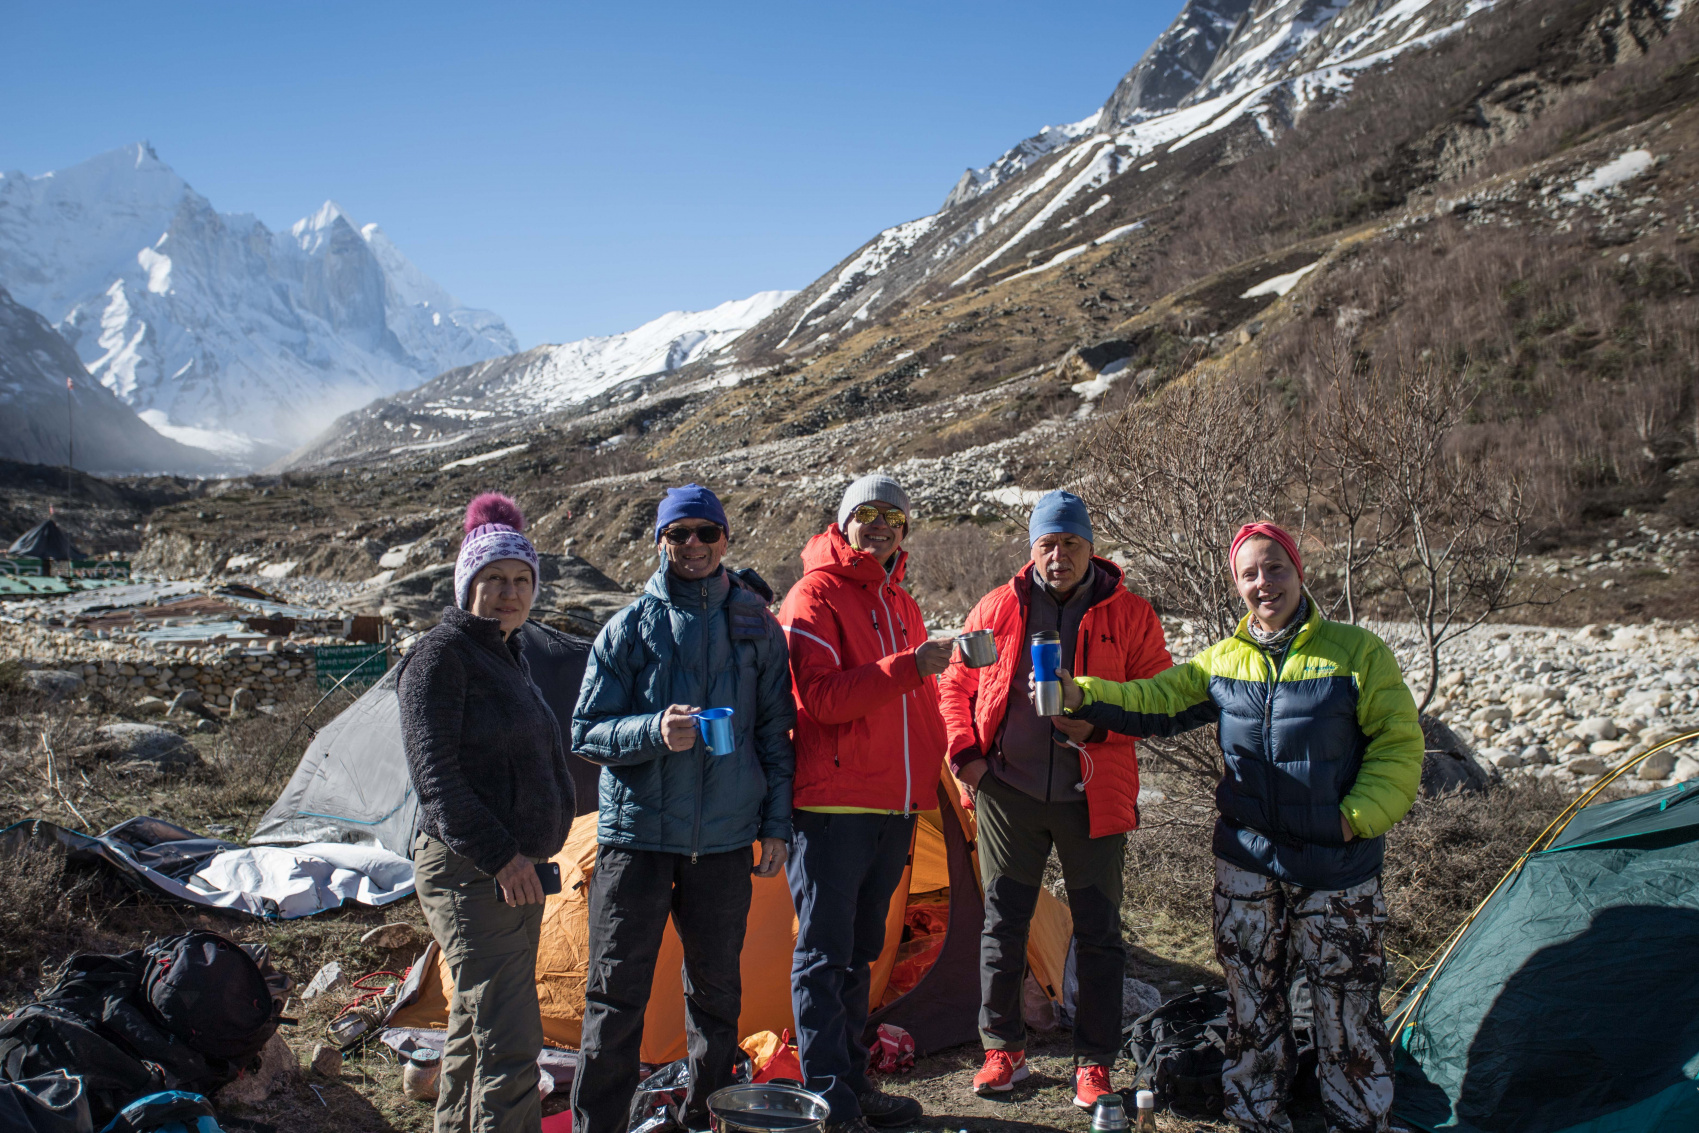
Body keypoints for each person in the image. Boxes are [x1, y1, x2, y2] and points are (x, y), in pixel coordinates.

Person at [1053, 522, 1423, 1133]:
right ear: (1236, 585)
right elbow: (1155, 700)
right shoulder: (1224, 663)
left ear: (1298, 571)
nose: (1264, 583)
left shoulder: (1357, 653)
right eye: (1249, 573)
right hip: (1248, 867)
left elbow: (1400, 745)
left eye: (1275, 567)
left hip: (1337, 869)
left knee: (1346, 1009)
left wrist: (1354, 818)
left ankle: (1358, 1120)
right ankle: (1257, 1115)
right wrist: (1081, 693)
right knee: (1252, 1004)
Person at [570, 483, 796, 1133]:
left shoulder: (755, 625)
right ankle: (599, 1127)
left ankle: (705, 1118)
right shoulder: (629, 627)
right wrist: (649, 731)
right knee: (614, 997)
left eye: (706, 532)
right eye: (678, 534)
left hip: (723, 841)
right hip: (634, 839)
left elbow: (775, 733)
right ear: (660, 542)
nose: (692, 544)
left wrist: (775, 826)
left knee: (718, 995)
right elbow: (585, 729)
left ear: (725, 540)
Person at [937, 489, 1174, 1108]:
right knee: (1002, 926)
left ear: (1090, 547)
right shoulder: (996, 607)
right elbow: (953, 688)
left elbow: (1159, 698)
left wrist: (1100, 726)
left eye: (1070, 543)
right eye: (1047, 543)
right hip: (1006, 794)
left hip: (1091, 795)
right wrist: (967, 761)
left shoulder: (1130, 614)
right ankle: (1002, 1051)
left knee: (1098, 933)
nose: (1058, 555)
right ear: (1032, 548)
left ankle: (1094, 1064)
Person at [776, 474, 950, 1133]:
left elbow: (917, 704)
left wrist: (933, 771)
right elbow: (819, 698)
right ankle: (828, 1099)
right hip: (831, 808)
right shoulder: (812, 595)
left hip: (892, 806)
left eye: (893, 517)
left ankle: (850, 1082)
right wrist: (910, 664)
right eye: (867, 514)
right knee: (823, 955)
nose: (880, 525)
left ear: (904, 530)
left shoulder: (900, 602)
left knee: (857, 953)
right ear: (843, 522)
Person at [401, 492, 575, 1133]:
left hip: (516, 869)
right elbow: (435, 780)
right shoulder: (441, 657)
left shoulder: (508, 653)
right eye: (495, 579)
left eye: (522, 580)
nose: (510, 593)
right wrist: (503, 858)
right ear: (466, 583)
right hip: (472, 868)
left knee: (478, 1027)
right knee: (511, 1035)